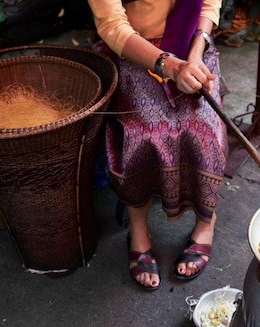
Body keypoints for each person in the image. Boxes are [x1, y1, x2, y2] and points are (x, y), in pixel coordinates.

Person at [88, 0, 228, 290]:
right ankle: (138, 231)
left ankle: (206, 222)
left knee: (205, 129)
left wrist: (196, 50)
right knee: (142, 134)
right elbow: (111, 25)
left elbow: (209, 3)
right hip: (132, 49)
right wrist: (170, 65)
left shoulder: (195, 46)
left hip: (192, 44)